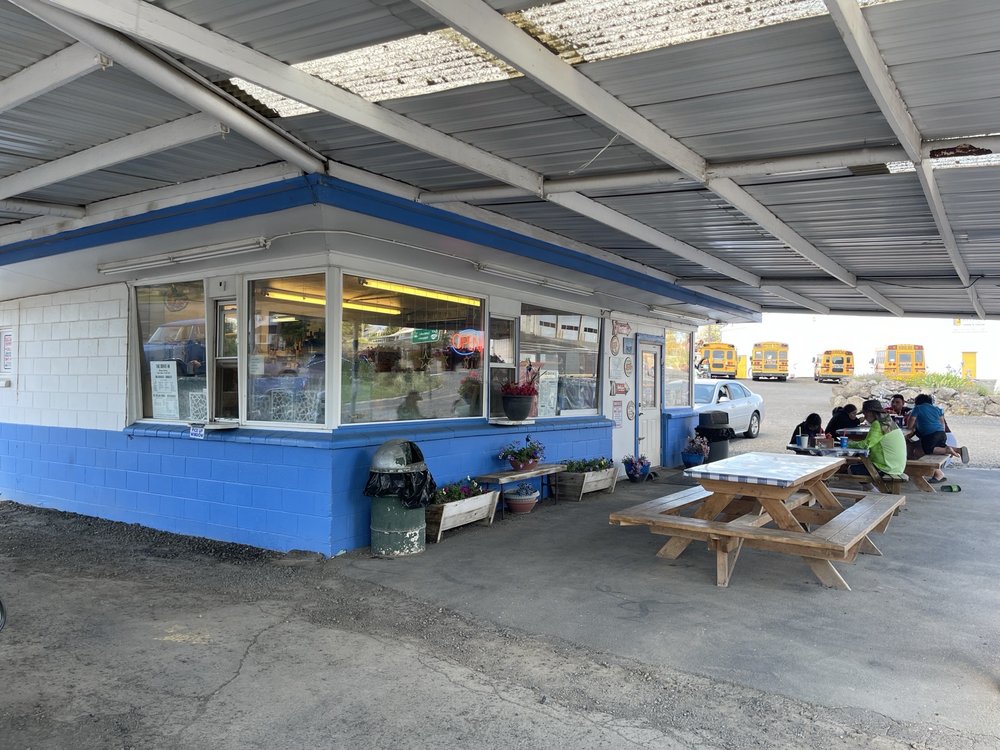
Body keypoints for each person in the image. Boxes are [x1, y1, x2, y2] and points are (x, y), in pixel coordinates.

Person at [846, 399, 907, 487]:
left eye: (865, 413)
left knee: (852, 469)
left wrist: (849, 443)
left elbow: (866, 445)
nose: (865, 416)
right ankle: (872, 491)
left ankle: (873, 492)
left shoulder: (878, 424)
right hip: (896, 466)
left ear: (870, 413)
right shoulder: (888, 422)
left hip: (886, 467)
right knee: (860, 466)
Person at [907, 394, 969, 470]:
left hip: (930, 434)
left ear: (917, 402)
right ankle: (958, 450)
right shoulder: (937, 409)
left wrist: (909, 427)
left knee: (928, 449)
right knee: (939, 447)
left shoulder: (918, 408)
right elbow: (942, 423)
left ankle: (947, 450)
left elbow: (912, 420)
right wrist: (941, 432)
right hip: (941, 433)